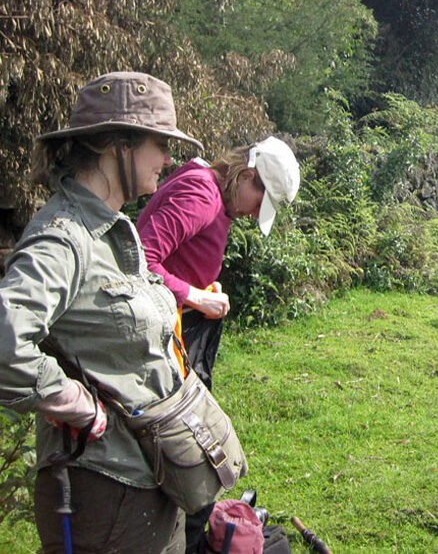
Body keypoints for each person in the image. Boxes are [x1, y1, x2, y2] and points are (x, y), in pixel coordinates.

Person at [0, 71, 203, 552]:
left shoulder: (116, 229)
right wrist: (76, 404)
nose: (169, 159)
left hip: (152, 475)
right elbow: (6, 340)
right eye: (160, 143)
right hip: (102, 490)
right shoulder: (63, 238)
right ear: (118, 145)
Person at [136, 136, 299, 554]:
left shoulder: (213, 198)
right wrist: (195, 296)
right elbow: (138, 261)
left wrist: (200, 287)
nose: (249, 215)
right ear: (246, 176)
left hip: (186, 332)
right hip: (163, 337)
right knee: (183, 444)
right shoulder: (201, 194)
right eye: (256, 203)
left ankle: (182, 532)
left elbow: (177, 261)